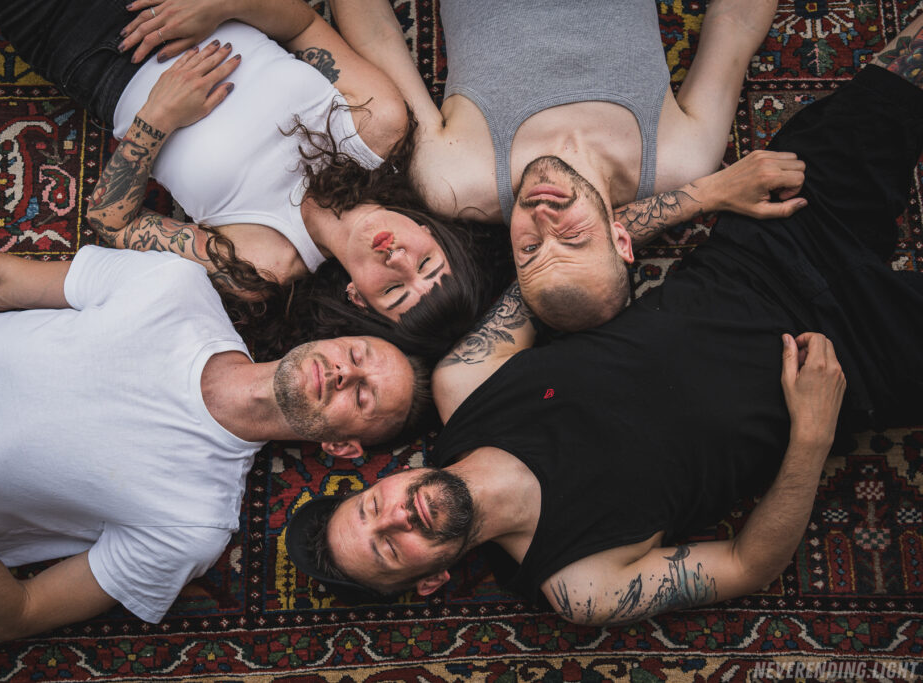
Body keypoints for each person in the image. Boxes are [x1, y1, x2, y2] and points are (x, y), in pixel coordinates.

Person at [282, 17, 923, 621]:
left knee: (896, 82)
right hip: (856, 361)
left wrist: (709, 194)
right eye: (389, 548)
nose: (398, 518)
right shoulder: (583, 586)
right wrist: (811, 435)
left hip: (764, 249)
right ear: (431, 580)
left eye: (373, 507)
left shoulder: (465, 383)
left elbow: (561, 244)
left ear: (388, 479)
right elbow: (746, 564)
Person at [0, 244, 430, 640]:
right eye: (356, 355)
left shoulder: (192, 524)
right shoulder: (175, 287)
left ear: (342, 448)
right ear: (334, 338)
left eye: (363, 397)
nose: (344, 374)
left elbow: (14, 616)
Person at [0, 0, 486, 359]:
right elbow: (303, 25)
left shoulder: (259, 267)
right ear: (432, 231)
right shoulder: (378, 127)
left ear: (359, 298)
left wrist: (155, 119)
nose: (398, 260)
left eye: (395, 291)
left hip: (92, 56)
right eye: (426, 261)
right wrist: (221, 6)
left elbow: (111, 221)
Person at [330, 0, 811, 331]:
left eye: (529, 248)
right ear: (621, 237)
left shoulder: (457, 181)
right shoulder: (682, 156)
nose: (542, 218)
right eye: (574, 237)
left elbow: (376, 39)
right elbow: (735, 24)